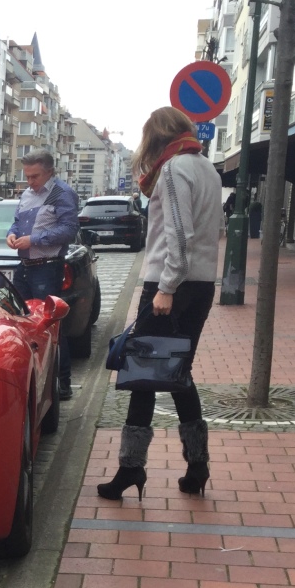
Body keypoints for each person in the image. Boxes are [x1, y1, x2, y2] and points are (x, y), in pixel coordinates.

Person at [98, 106, 223, 501]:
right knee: (177, 372)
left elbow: (179, 236)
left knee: (143, 376)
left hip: (172, 284)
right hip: (200, 285)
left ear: (156, 137)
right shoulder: (207, 168)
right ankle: (197, 465)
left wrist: (166, 287)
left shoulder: (173, 170)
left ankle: (130, 469)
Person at [5, 147, 79, 398]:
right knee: (22, 323)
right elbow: (16, 222)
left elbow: (69, 230)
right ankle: (34, 379)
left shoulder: (62, 194)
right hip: (25, 267)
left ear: (49, 172)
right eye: (27, 176)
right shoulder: (26, 194)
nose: (30, 182)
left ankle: (62, 384)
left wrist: (33, 240)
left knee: (51, 326)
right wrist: (12, 234)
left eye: (34, 176)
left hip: (47, 267)